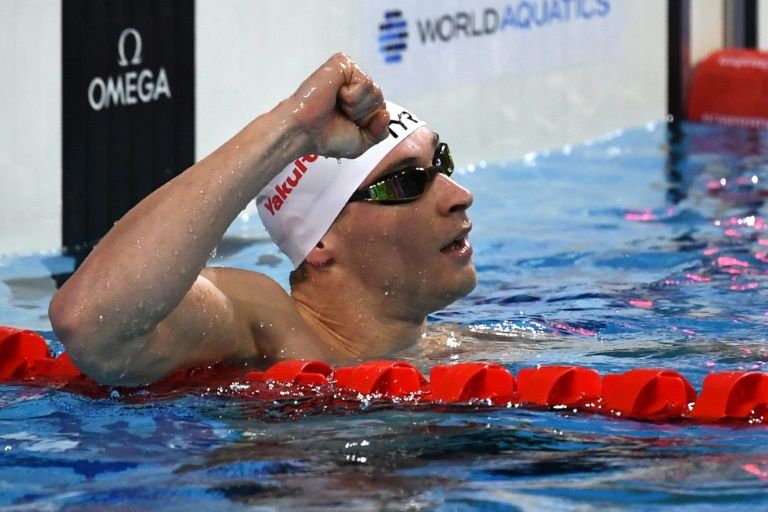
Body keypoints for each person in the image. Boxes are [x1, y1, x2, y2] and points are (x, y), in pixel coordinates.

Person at [48, 53, 477, 386]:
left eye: (441, 163)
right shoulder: (262, 332)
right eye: (406, 183)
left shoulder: (456, 350)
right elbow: (90, 323)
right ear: (319, 243)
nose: (460, 196)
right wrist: (292, 129)